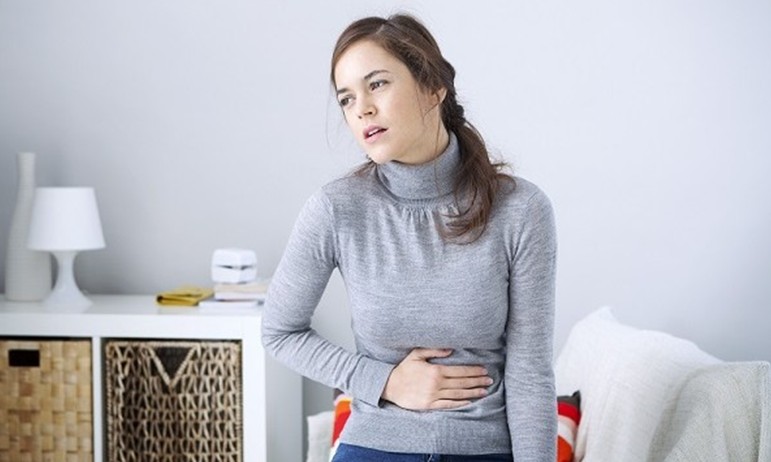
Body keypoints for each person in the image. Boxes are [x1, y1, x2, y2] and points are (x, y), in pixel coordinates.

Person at [262, 13, 558, 462]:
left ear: (433, 87)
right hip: (374, 446)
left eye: (377, 84)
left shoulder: (521, 209)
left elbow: (530, 372)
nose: (361, 109)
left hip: (483, 449)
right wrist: (384, 382)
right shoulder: (336, 209)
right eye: (346, 98)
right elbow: (279, 331)